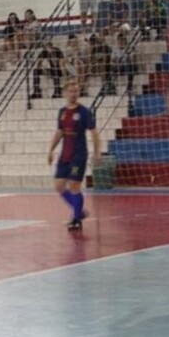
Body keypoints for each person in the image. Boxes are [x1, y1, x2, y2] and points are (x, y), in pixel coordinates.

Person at [47, 81, 101, 231]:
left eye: (76, 91)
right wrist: (51, 150)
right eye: (70, 91)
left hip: (79, 154)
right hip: (65, 153)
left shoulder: (84, 112)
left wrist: (97, 152)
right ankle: (79, 211)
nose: (73, 94)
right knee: (59, 186)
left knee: (74, 185)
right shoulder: (62, 112)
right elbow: (60, 132)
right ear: (65, 93)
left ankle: (77, 219)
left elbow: (94, 132)